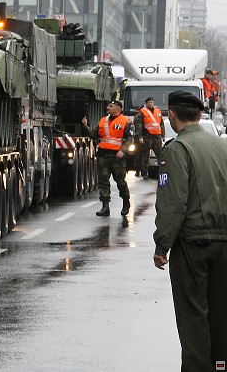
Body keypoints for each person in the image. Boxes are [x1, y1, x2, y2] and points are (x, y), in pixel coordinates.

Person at [153, 90, 227, 370]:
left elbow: (173, 202)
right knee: (221, 314)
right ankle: (221, 365)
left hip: (193, 245)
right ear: (199, 114)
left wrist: (162, 245)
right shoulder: (222, 146)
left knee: (193, 316)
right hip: (224, 243)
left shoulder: (176, 150)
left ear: (172, 115)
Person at [82, 100, 135, 216]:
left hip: (117, 158)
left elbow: (130, 139)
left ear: (118, 109)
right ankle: (105, 206)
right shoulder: (103, 120)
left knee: (120, 181)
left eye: (111, 106)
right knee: (103, 181)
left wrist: (123, 151)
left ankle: (126, 202)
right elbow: (93, 135)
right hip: (104, 156)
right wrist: (86, 127)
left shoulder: (126, 122)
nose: (108, 108)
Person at [134, 96, 164, 180]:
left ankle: (162, 171)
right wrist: (140, 137)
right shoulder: (142, 112)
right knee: (145, 155)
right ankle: (145, 173)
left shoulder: (157, 111)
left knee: (160, 154)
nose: (150, 104)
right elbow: (138, 125)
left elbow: (161, 123)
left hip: (157, 137)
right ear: (146, 103)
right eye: (148, 103)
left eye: (151, 102)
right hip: (147, 136)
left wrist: (163, 134)